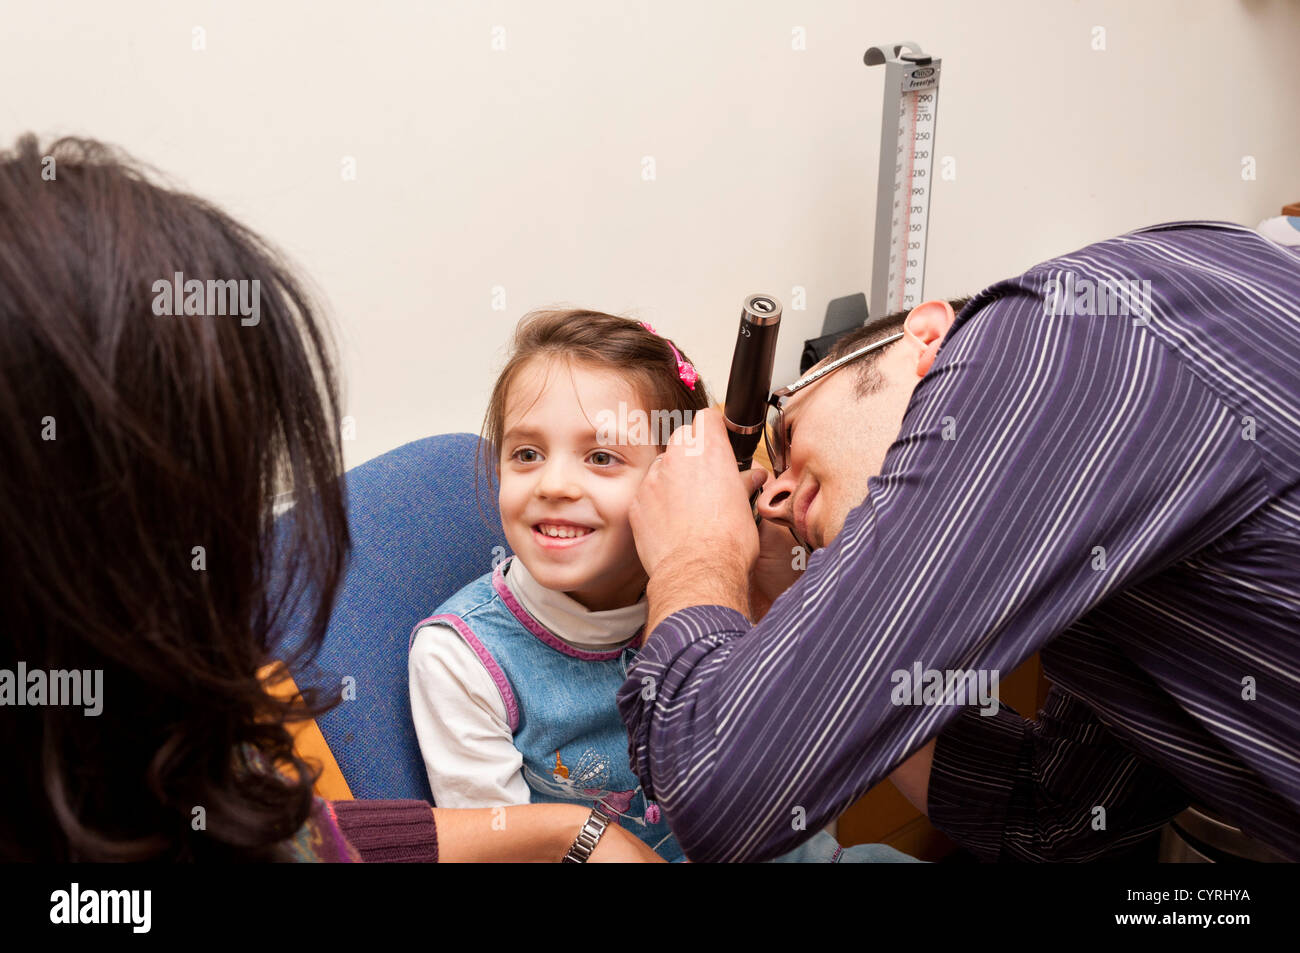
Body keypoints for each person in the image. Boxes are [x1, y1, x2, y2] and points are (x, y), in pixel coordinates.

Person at [0, 134, 659, 862]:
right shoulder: (466, 656)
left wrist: (572, 827)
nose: (242, 560)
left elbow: (301, 831)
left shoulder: (153, 737)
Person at [618, 221, 1300, 863]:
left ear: (926, 338)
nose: (769, 495)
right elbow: (1052, 812)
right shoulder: (1093, 521)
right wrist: (775, 605)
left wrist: (692, 558)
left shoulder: (1050, 338)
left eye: (788, 435)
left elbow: (717, 789)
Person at [408, 309, 915, 862]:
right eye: (526, 454)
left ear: (677, 477)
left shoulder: (718, 592)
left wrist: (779, 604)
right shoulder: (460, 659)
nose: (552, 485)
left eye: (601, 457)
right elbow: (501, 851)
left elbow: (803, 780)